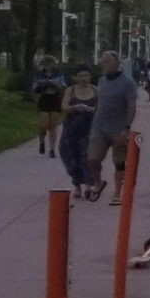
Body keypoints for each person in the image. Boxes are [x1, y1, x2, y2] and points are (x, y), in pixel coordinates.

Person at [90, 51, 140, 206]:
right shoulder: (101, 80)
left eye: (108, 62)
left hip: (118, 127)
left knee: (119, 161)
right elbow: (99, 102)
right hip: (99, 126)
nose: (104, 64)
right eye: (103, 62)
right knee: (92, 159)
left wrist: (126, 127)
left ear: (118, 64)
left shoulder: (127, 82)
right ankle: (98, 183)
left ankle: (118, 191)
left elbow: (131, 106)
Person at [60, 66, 99, 199]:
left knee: (86, 156)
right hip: (71, 128)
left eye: (86, 75)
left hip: (89, 128)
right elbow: (64, 107)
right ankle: (77, 185)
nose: (83, 78)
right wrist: (75, 107)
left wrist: (91, 109)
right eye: (80, 75)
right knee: (71, 157)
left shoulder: (95, 90)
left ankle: (89, 185)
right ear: (75, 77)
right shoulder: (70, 90)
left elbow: (100, 108)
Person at [30, 54, 64, 154]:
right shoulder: (39, 74)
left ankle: (52, 149)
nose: (48, 65)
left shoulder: (58, 73)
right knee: (43, 124)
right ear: (43, 64)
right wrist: (42, 84)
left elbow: (62, 87)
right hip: (44, 98)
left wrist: (53, 83)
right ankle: (41, 142)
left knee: (53, 125)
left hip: (55, 99)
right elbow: (35, 87)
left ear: (53, 64)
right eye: (46, 63)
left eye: (50, 63)